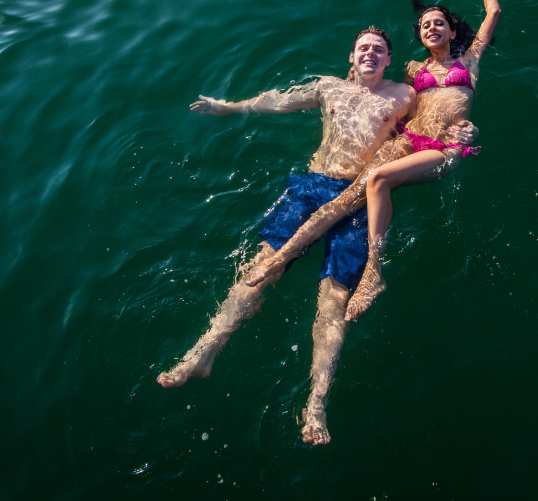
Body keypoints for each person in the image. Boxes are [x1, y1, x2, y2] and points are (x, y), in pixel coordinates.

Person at [156, 27, 477, 445]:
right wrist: (231, 108)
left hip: (358, 198)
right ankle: (203, 353)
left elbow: (429, 130)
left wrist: (460, 134)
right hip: (311, 186)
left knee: (335, 297)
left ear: (388, 59)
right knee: (261, 267)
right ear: (352, 56)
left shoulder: (404, 96)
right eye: (364, 47)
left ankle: (316, 402)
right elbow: (281, 101)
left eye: (379, 49)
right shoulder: (329, 88)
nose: (370, 53)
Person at [245, 0, 501, 322]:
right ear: (421, 34)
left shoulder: (470, 60)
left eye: (439, 23)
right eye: (426, 25)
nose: (432, 28)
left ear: (451, 29)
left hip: (445, 146)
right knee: (347, 197)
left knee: (378, 180)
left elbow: (494, 13)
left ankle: (373, 272)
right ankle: (281, 256)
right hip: (410, 139)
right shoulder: (414, 70)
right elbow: (393, 103)